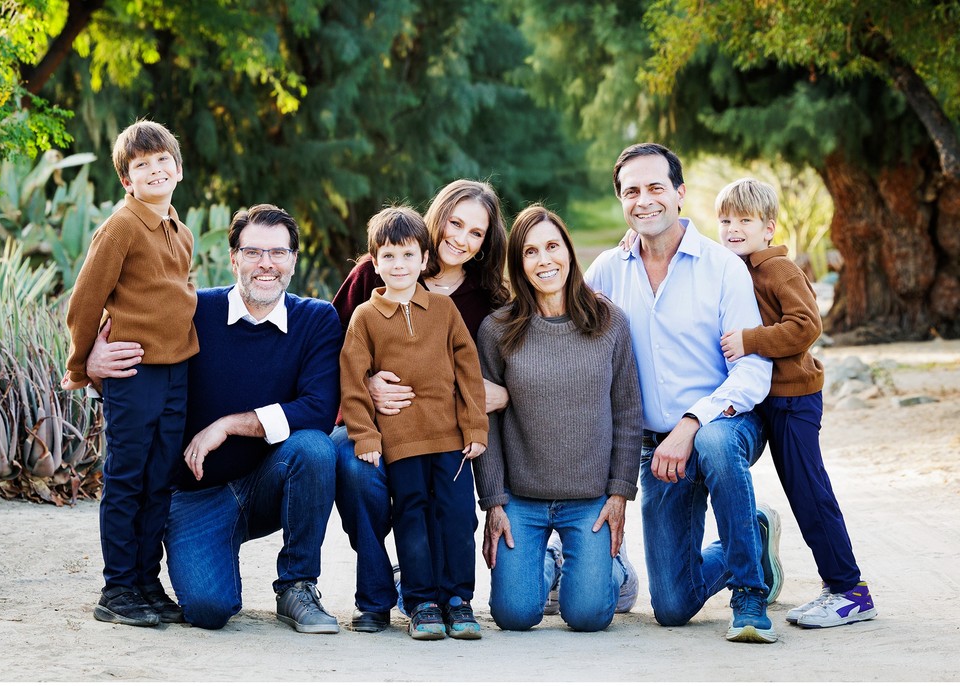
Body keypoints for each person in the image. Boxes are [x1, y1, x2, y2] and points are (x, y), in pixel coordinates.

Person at [85, 204, 343, 634]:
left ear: (294, 260)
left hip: (268, 481)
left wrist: (227, 424)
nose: (266, 264)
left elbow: (318, 408)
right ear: (233, 258)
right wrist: (94, 362)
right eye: (253, 252)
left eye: (278, 253)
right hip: (195, 494)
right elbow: (129, 345)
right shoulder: (194, 311)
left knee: (315, 448)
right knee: (209, 609)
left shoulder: (315, 319)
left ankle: (297, 585)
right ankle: (201, 563)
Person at [585, 142, 783, 644]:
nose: (644, 200)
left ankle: (749, 594)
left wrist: (692, 423)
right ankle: (752, 536)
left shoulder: (722, 268)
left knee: (715, 444)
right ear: (621, 201)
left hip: (725, 427)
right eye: (632, 191)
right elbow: (562, 334)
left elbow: (753, 374)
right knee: (673, 606)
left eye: (656, 187)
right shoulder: (607, 270)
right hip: (658, 451)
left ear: (679, 194)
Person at [330, 179, 509, 633]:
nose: (462, 239)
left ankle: (456, 599)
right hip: (390, 432)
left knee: (453, 512)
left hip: (447, 434)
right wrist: (367, 398)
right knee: (399, 499)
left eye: (476, 233)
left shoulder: (468, 304)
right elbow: (341, 358)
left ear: (421, 258)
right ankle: (401, 597)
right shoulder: (372, 286)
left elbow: (472, 370)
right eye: (455, 224)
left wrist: (474, 424)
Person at [716, 177, 877, 629]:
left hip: (794, 400)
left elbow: (807, 325)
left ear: (768, 228)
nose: (732, 228)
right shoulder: (736, 268)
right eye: (726, 220)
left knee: (809, 492)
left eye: (744, 220)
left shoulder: (778, 270)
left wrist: (751, 340)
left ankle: (850, 590)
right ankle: (835, 587)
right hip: (766, 401)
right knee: (792, 489)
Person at [476, 204, 642, 632]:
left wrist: (619, 493)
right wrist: (493, 501)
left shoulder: (610, 323)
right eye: (531, 252)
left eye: (553, 246)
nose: (544, 260)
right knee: (515, 615)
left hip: (589, 499)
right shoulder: (497, 330)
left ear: (569, 252)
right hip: (521, 500)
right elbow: (486, 422)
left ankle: (617, 575)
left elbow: (627, 413)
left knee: (587, 617)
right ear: (519, 263)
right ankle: (548, 566)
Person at [61, 119, 195, 628]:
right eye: (142, 165)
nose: (155, 170)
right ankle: (117, 587)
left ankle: (145, 580)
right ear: (127, 180)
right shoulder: (120, 227)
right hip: (133, 370)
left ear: (178, 170)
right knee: (127, 478)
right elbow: (85, 300)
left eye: (163, 161)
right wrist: (82, 364)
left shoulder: (178, 232)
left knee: (160, 479)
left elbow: (175, 293)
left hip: (175, 370)